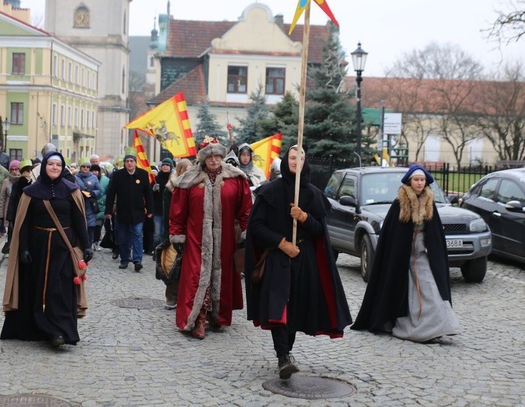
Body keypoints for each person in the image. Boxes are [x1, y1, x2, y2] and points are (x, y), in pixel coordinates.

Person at [246, 145, 352, 378]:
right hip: (277, 257)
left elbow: (319, 232)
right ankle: (283, 356)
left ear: (305, 163)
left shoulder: (314, 194)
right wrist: (281, 243)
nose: (296, 161)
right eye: (292, 157)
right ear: (286, 161)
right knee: (278, 306)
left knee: (294, 307)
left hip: (304, 260)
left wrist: (303, 217)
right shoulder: (269, 192)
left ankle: (287, 352)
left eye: (300, 158)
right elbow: (256, 227)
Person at [351, 164, 460, 342]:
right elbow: (393, 234)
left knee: (431, 287)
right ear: (410, 181)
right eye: (416, 180)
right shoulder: (400, 203)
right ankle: (407, 326)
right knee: (404, 290)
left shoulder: (429, 201)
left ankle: (438, 326)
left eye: (422, 180)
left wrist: (431, 248)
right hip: (402, 257)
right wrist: (399, 251)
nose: (419, 183)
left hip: (423, 254)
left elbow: (435, 233)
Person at [1, 151, 92, 348]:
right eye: (51, 164)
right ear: (43, 167)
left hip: (64, 248)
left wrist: (86, 245)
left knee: (60, 290)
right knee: (37, 289)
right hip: (37, 248)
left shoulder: (71, 190)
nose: (54, 168)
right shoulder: (31, 192)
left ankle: (60, 331)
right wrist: (23, 248)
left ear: (63, 168)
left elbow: (79, 221)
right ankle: (41, 328)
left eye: (58, 165)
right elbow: (23, 223)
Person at [169, 140, 252, 339]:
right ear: (203, 158)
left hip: (225, 239)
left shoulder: (235, 178)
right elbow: (177, 212)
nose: (214, 160)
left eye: (217, 156)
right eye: (209, 157)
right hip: (196, 239)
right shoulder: (189, 180)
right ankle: (199, 318)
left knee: (221, 276)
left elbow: (246, 208)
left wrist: (245, 232)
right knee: (198, 276)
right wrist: (177, 236)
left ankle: (218, 315)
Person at [105, 154, 153, 272]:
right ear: (124, 163)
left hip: (138, 212)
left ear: (135, 162)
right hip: (122, 212)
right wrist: (108, 210)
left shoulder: (142, 174)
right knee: (122, 237)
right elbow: (111, 193)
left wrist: (150, 209)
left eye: (132, 161)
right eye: (127, 161)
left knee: (137, 234)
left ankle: (137, 260)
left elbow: (148, 193)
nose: (129, 163)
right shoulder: (117, 175)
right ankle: (124, 259)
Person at [159, 158, 192, 309]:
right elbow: (168, 214)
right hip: (174, 232)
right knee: (173, 266)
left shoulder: (194, 186)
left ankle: (186, 297)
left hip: (191, 231)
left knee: (189, 267)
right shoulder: (170, 189)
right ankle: (171, 297)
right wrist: (169, 235)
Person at [5, 159, 34, 253]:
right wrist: (10, 218)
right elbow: (12, 201)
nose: (28, 173)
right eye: (26, 170)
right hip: (19, 213)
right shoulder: (19, 184)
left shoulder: (32, 183)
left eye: (30, 170)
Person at [73, 162, 102, 250]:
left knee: (90, 226)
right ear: (80, 167)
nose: (85, 168)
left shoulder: (93, 178)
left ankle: (88, 246)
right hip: (78, 203)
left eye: (88, 167)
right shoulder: (75, 177)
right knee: (79, 225)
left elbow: (99, 190)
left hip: (90, 204)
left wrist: (92, 193)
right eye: (84, 166)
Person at [0, 160, 22, 254]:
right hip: (9, 211)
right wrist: (1, 214)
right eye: (12, 169)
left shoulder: (23, 181)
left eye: (16, 169)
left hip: (19, 210)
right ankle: (11, 250)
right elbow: (2, 199)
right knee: (10, 232)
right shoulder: (6, 182)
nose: (14, 171)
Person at [152, 158, 173, 252]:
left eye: (167, 165)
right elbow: (150, 194)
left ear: (170, 167)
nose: (165, 167)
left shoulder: (173, 179)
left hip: (169, 210)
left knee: (166, 232)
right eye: (163, 165)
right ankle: (156, 249)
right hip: (157, 210)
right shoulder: (156, 179)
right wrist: (153, 189)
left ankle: (164, 251)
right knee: (157, 234)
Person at [90, 164, 108, 251]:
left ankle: (96, 242)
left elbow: (109, 192)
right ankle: (90, 242)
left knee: (98, 226)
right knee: (90, 226)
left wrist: (104, 200)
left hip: (101, 206)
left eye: (96, 171)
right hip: (90, 206)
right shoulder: (88, 179)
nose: (94, 172)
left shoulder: (105, 180)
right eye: (92, 171)